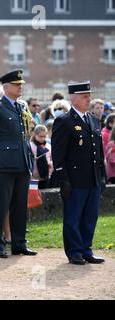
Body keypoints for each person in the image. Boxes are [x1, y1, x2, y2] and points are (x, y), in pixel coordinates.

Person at [0, 70, 37, 258]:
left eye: (21, 84)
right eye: (16, 84)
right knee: (2, 205)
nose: (20, 87)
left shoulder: (21, 106)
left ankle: (19, 243)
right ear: (6, 88)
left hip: (22, 160)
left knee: (20, 205)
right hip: (4, 164)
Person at [52, 81, 106, 265]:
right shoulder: (64, 121)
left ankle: (86, 249)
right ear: (73, 98)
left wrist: (102, 176)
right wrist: (63, 179)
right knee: (73, 218)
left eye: (89, 95)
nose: (88, 99)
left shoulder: (94, 120)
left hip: (93, 178)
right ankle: (74, 251)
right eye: (84, 96)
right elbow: (58, 154)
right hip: (75, 180)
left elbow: (99, 152)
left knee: (90, 217)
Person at [30, 125, 53, 189]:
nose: (43, 138)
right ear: (35, 135)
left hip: (46, 176)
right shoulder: (30, 146)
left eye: (44, 136)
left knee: (44, 197)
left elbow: (52, 158)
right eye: (40, 136)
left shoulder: (48, 146)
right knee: (33, 197)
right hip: (33, 178)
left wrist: (51, 163)